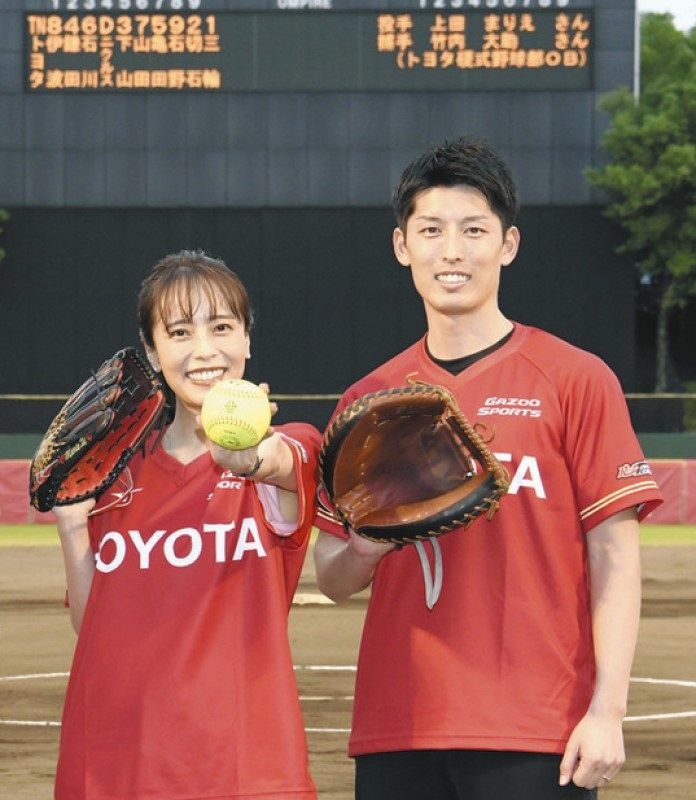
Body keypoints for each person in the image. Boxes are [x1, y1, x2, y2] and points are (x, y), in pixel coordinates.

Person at [314, 137, 663, 800]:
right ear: (402, 246)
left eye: (474, 230)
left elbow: (613, 554)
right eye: (432, 230)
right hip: (399, 726)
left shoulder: (575, 378)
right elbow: (332, 579)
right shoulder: (371, 402)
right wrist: (366, 542)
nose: (453, 251)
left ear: (507, 244)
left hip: (536, 725)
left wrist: (607, 710)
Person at [53, 250, 319, 800]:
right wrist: (73, 527)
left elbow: (279, 463)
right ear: (153, 351)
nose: (204, 350)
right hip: (113, 766)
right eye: (179, 331)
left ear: (247, 339)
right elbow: (95, 626)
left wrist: (243, 457)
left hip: (244, 771)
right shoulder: (111, 472)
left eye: (222, 326)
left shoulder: (290, 446)